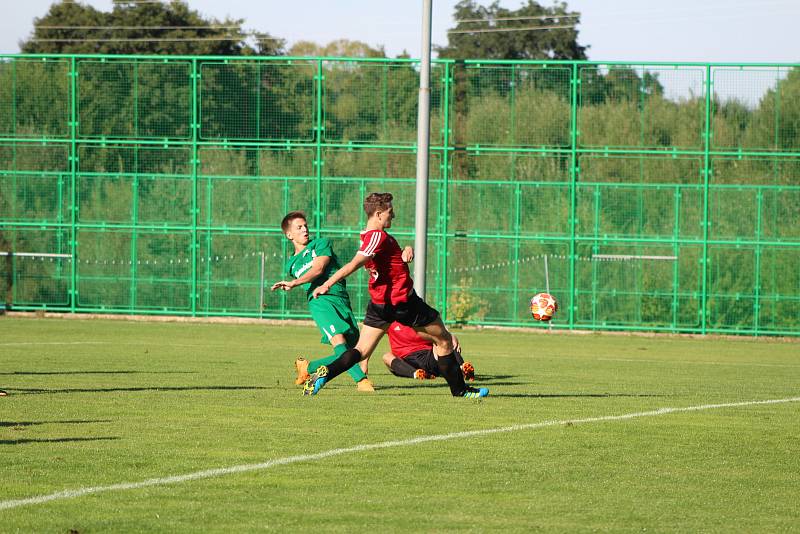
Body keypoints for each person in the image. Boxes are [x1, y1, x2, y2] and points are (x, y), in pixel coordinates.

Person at [306, 192, 488, 398]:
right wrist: (328, 284)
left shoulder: (367, 236)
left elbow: (386, 260)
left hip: (380, 305)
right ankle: (460, 390)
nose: (394, 216)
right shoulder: (377, 236)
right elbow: (355, 263)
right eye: (390, 212)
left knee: (361, 351)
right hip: (404, 303)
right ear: (378, 214)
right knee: (444, 340)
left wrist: (404, 251)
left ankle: (324, 374)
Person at [271, 211, 375, 393]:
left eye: (305, 226)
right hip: (319, 301)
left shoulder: (321, 243)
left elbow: (319, 268)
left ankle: (309, 368)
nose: (305, 230)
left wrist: (294, 283)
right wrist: (296, 282)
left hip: (340, 297)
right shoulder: (291, 264)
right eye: (299, 227)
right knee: (338, 341)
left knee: (353, 352)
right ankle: (362, 381)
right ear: (289, 235)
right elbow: (312, 275)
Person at [382, 321, 475, 382]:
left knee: (442, 341)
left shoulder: (419, 318)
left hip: (428, 356)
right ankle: (417, 374)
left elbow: (441, 330)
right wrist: (366, 363)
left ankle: (463, 368)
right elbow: (371, 334)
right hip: (405, 362)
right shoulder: (388, 321)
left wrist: (451, 336)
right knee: (386, 356)